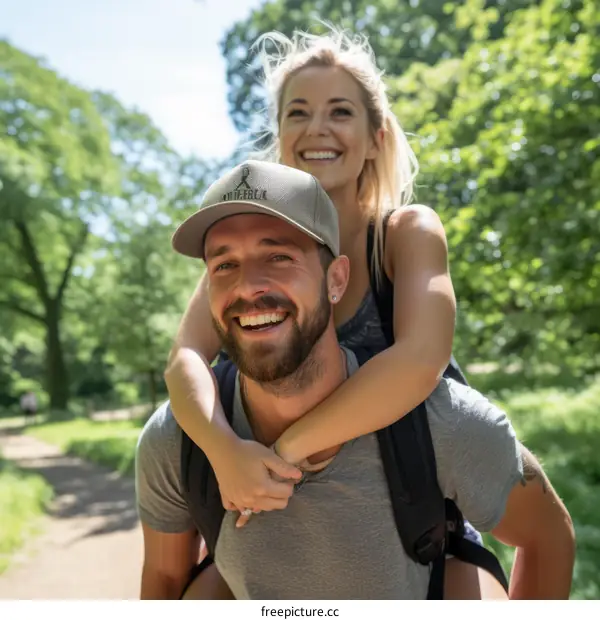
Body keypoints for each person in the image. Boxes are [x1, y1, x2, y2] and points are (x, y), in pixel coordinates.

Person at [136, 160, 575, 599]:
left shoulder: (438, 423)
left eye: (279, 256)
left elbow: (548, 537)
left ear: (336, 280)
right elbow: (166, 578)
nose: (249, 286)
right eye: (224, 265)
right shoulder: (179, 441)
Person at [163, 25, 489, 594]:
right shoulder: (250, 255)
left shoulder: (405, 232)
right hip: (273, 502)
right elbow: (185, 358)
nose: (317, 128)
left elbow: (420, 360)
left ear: (375, 137)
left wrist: (283, 452)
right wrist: (226, 452)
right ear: (280, 137)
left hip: (420, 511)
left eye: (340, 112)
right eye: (297, 113)